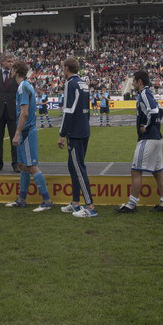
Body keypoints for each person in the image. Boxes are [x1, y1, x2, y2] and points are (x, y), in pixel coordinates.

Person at [117, 70, 163, 213]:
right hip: (157, 138)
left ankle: (131, 204)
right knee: (158, 172)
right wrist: (155, 125)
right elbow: (160, 111)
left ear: (140, 81)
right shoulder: (149, 94)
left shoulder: (144, 94)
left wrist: (147, 127)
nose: (132, 83)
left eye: (134, 81)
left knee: (136, 171)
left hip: (148, 139)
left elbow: (154, 111)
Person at [6, 61, 53, 212]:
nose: (10, 71)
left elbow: (24, 113)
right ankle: (21, 199)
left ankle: (47, 201)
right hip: (26, 130)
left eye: (12, 69)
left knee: (31, 166)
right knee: (23, 166)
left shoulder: (22, 87)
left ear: (16, 70)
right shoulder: (26, 85)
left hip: (26, 131)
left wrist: (17, 133)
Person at [58, 57, 98, 218]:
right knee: (73, 166)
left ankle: (90, 206)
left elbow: (68, 110)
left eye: (63, 68)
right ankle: (75, 202)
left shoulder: (70, 83)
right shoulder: (83, 83)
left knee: (79, 169)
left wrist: (62, 134)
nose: (62, 71)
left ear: (67, 68)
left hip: (74, 132)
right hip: (84, 129)